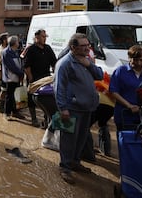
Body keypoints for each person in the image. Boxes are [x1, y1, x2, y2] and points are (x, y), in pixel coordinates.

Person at [53, 33, 104, 184]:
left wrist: (89, 65)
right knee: (69, 139)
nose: (87, 49)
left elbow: (100, 75)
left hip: (86, 108)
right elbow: (59, 88)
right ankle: (65, 167)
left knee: (81, 138)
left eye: (88, 45)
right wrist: (63, 109)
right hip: (71, 109)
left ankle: (75, 162)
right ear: (73, 48)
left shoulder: (86, 60)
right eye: (83, 46)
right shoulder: (65, 64)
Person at [24, 29, 57, 127]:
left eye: (45, 36)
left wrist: (56, 75)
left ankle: (46, 120)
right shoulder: (31, 49)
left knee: (47, 100)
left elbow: (54, 63)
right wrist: (30, 79)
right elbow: (26, 66)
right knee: (32, 99)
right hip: (34, 79)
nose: (44, 38)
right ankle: (34, 119)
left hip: (46, 78)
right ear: (37, 37)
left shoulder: (48, 48)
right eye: (43, 36)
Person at [109, 45, 142, 131]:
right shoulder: (121, 71)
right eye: (131, 58)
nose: (134, 62)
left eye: (138, 59)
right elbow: (113, 91)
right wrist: (129, 106)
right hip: (124, 115)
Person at [2, 35, 25, 120]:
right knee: (10, 96)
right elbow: (11, 66)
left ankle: (15, 112)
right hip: (10, 78)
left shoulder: (15, 51)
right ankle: (6, 113)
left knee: (16, 95)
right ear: (14, 43)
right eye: (17, 41)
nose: (19, 43)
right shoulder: (6, 52)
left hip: (17, 77)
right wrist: (20, 73)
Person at [0, 33, 9, 113]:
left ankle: (3, 106)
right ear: (4, 41)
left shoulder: (3, 48)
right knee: (3, 91)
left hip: (3, 73)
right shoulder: (2, 50)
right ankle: (0, 106)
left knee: (4, 90)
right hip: (3, 73)